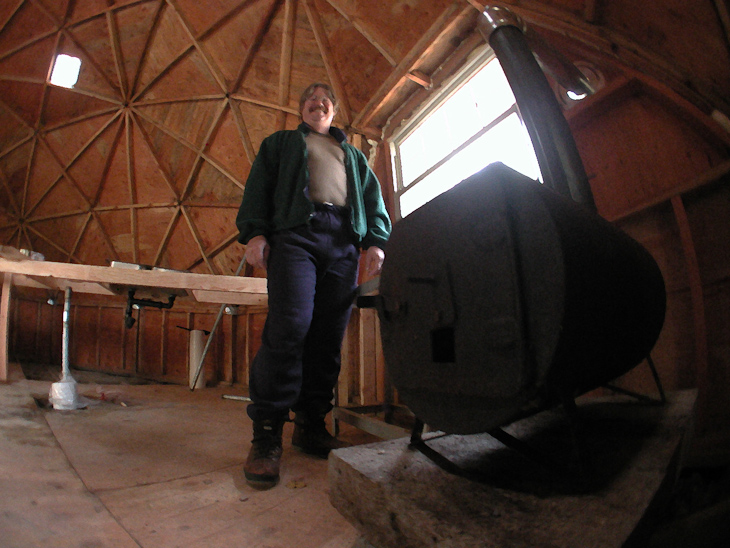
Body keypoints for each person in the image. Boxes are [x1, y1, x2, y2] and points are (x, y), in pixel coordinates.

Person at [236, 82, 392, 488]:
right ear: (302, 109)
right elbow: (258, 189)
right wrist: (255, 233)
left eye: (325, 98)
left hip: (342, 242)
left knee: (327, 334)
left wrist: (375, 241)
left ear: (333, 110)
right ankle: (267, 433)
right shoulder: (281, 144)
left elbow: (374, 204)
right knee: (291, 324)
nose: (318, 102)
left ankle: (311, 423)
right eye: (311, 98)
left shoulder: (354, 157)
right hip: (296, 235)